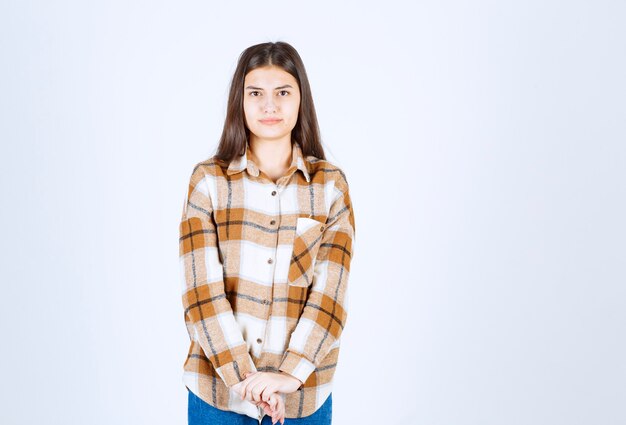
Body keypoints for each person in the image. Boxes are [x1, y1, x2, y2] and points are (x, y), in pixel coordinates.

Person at [179, 41, 356, 425]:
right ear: (239, 102)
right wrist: (247, 381)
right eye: (256, 93)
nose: (269, 106)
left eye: (282, 93)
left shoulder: (330, 187)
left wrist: (288, 375)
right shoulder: (208, 182)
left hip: (302, 395)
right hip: (218, 396)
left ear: (300, 100)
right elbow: (201, 295)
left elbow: (331, 294)